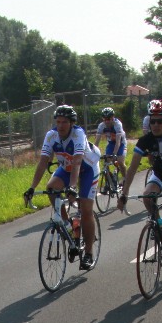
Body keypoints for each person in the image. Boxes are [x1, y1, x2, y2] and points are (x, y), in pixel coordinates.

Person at [116, 99, 162, 273]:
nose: (156, 125)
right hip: (160, 173)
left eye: (160, 121)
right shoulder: (146, 140)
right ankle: (160, 225)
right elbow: (133, 168)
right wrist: (124, 194)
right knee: (147, 197)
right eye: (153, 121)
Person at [24, 104, 101, 270]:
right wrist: (31, 188)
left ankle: (88, 253)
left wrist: (72, 187)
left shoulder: (78, 134)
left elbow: (77, 162)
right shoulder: (51, 136)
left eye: (64, 122)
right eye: (58, 122)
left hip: (87, 169)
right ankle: (67, 224)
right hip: (67, 167)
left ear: (72, 123)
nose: (60, 125)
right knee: (51, 188)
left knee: (86, 209)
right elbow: (43, 162)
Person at [94, 107, 128, 178]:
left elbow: (118, 143)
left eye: (108, 119)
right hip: (111, 143)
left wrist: (114, 154)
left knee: (120, 162)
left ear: (113, 117)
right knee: (106, 161)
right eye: (104, 119)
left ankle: (126, 179)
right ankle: (110, 179)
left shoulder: (118, 124)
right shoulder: (101, 126)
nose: (106, 121)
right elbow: (96, 142)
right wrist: (93, 152)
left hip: (121, 144)